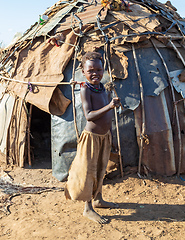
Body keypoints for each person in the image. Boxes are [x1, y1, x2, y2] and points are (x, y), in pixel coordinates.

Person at [64, 52, 120, 224]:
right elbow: (89, 115)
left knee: (101, 169)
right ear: (83, 71)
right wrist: (110, 106)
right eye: (91, 70)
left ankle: (98, 199)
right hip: (91, 137)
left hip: (104, 136)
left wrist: (111, 135)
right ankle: (88, 208)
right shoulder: (85, 89)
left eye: (99, 69)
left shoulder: (102, 88)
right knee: (89, 171)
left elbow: (107, 115)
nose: (95, 73)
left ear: (103, 70)